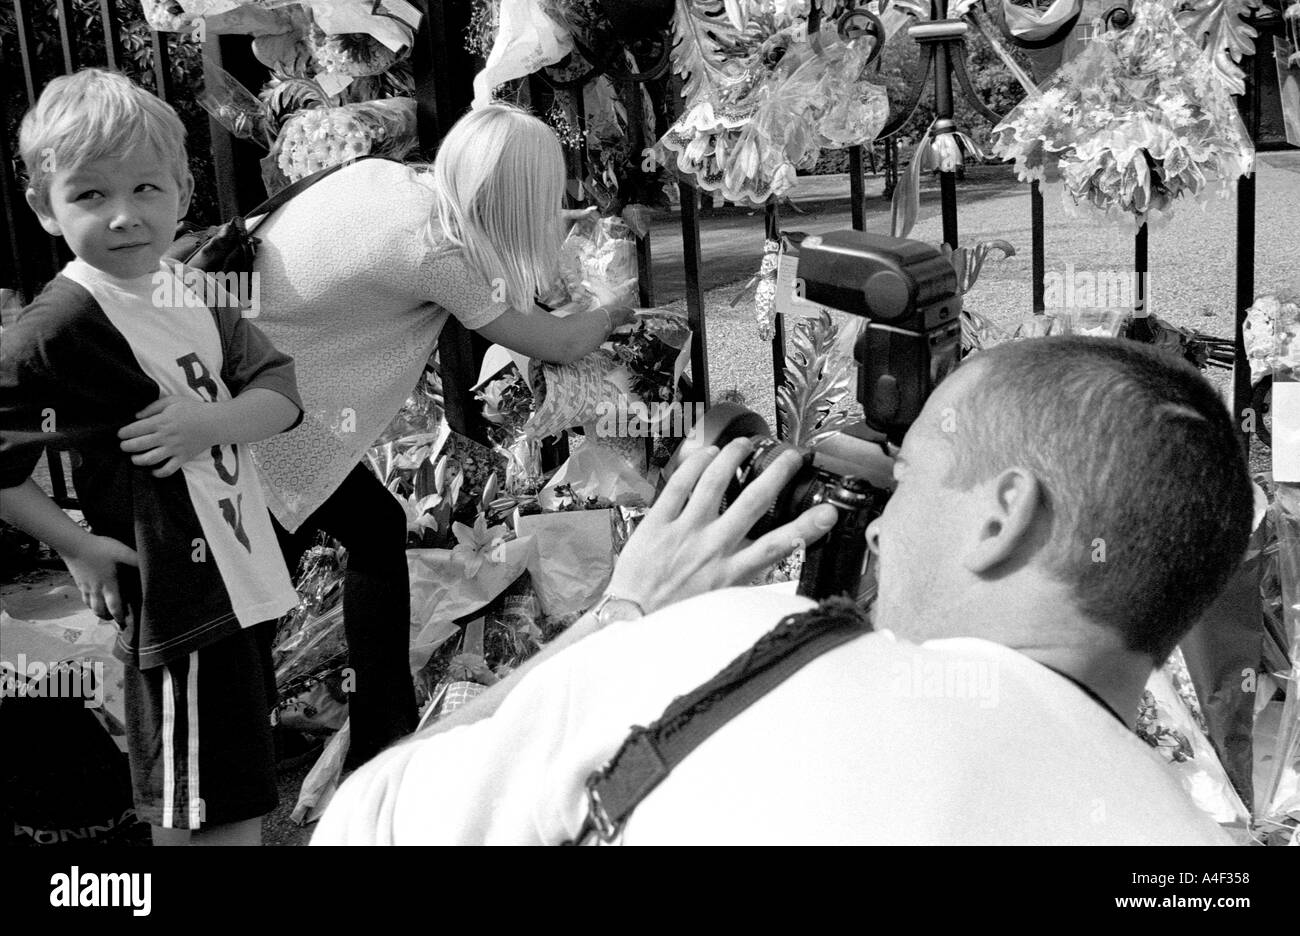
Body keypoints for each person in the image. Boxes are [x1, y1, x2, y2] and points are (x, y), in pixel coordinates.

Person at [312, 336, 1253, 845]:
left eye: (911, 476)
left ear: (1004, 515)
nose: (878, 527)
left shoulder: (740, 650)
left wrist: (619, 618)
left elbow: (367, 823)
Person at [245, 103, 635, 768]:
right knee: (260, 582)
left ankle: (374, 730)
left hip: (250, 387)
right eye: (545, 196)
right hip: (269, 419)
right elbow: (554, 337)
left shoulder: (391, 181)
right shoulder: (435, 250)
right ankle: (268, 744)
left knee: (365, 530)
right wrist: (616, 302)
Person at [0, 70, 304, 845]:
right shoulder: (59, 321)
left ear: (183, 186)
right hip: (174, 598)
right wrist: (75, 547)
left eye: (146, 188)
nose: (126, 216)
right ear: (45, 207)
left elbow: (281, 390)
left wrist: (212, 423)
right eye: (90, 195)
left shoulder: (191, 286)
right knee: (192, 804)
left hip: (242, 581)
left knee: (235, 793)